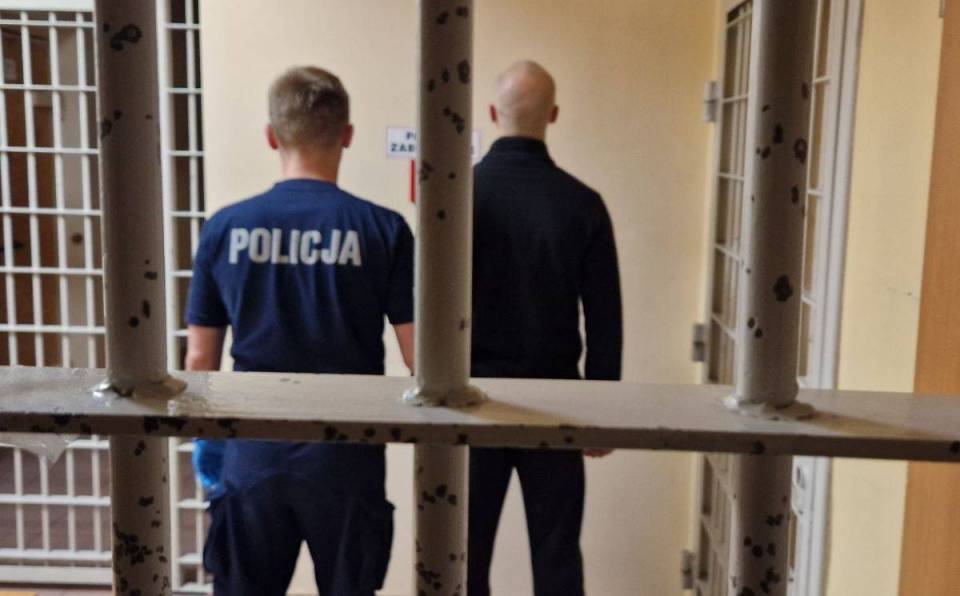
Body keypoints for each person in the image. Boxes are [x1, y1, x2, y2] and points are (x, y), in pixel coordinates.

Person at [185, 66, 415, 596]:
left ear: (272, 136)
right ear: (347, 135)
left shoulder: (225, 228)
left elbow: (200, 361)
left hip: (253, 449)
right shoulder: (383, 230)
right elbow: (420, 358)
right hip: (348, 453)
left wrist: (211, 447)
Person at [468, 60, 623, 596]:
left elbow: (430, 305)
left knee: (463, 555)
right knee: (557, 557)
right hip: (558, 402)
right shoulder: (582, 204)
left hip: (471, 401)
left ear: (492, 113)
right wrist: (599, 410)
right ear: (553, 115)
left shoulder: (457, 199)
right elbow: (604, 317)